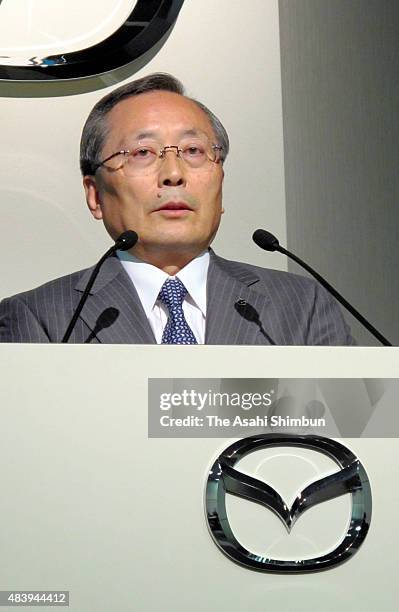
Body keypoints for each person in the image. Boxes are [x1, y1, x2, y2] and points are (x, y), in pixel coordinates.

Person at [0, 73, 354, 345]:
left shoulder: (302, 307)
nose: (173, 174)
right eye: (141, 153)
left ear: (220, 180)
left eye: (193, 151)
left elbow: (354, 427)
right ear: (95, 195)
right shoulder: (40, 318)